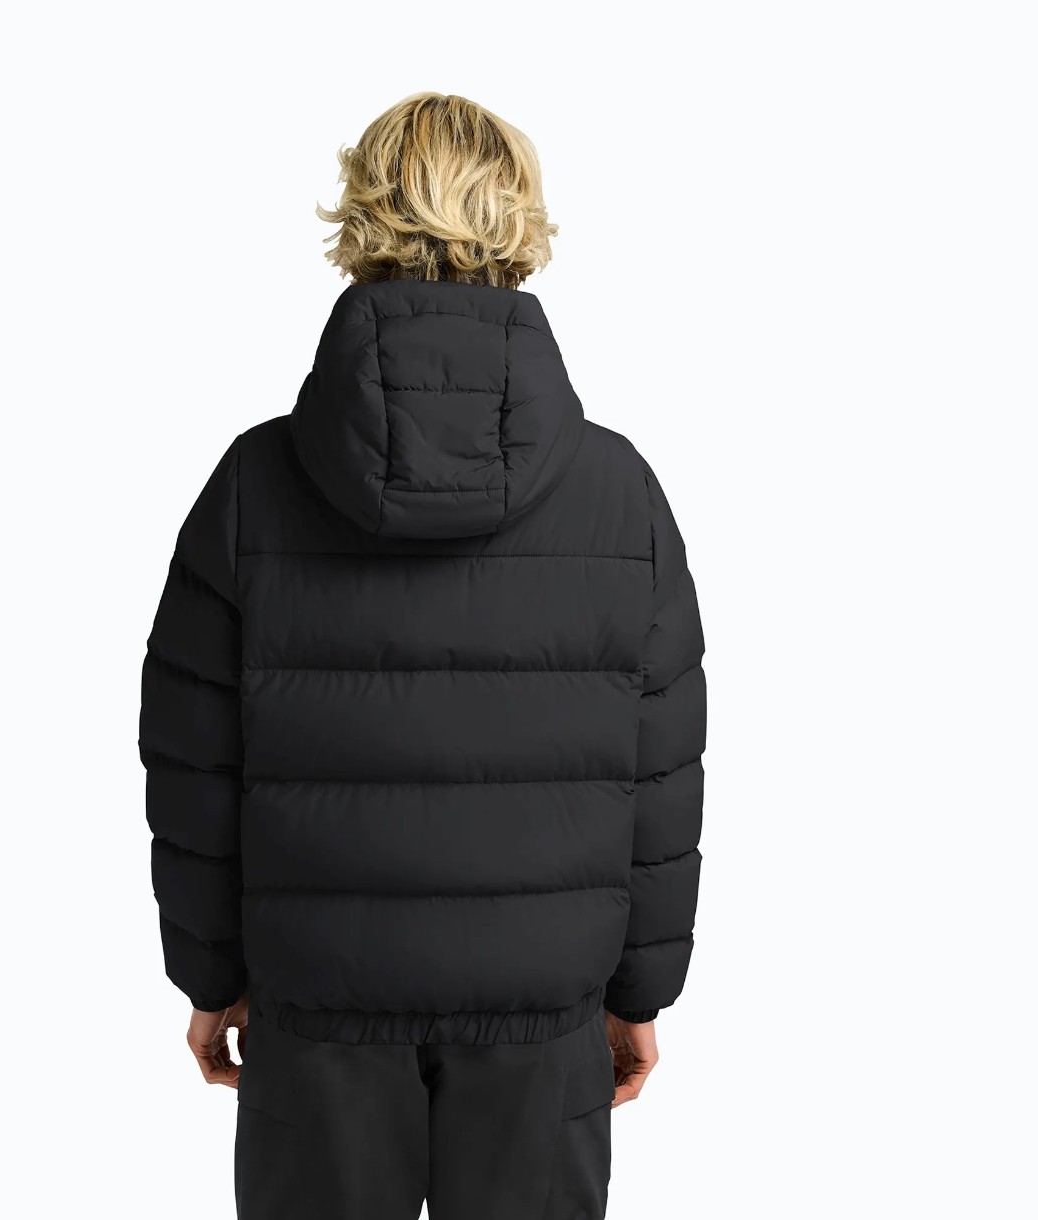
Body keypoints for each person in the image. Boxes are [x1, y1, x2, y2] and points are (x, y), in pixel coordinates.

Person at [139, 92, 705, 1220]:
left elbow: (193, 760)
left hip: (318, 1015)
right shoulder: (618, 492)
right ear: (519, 219)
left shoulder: (253, 485)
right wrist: (641, 990)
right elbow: (660, 768)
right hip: (541, 1016)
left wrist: (210, 974)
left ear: (362, 216)